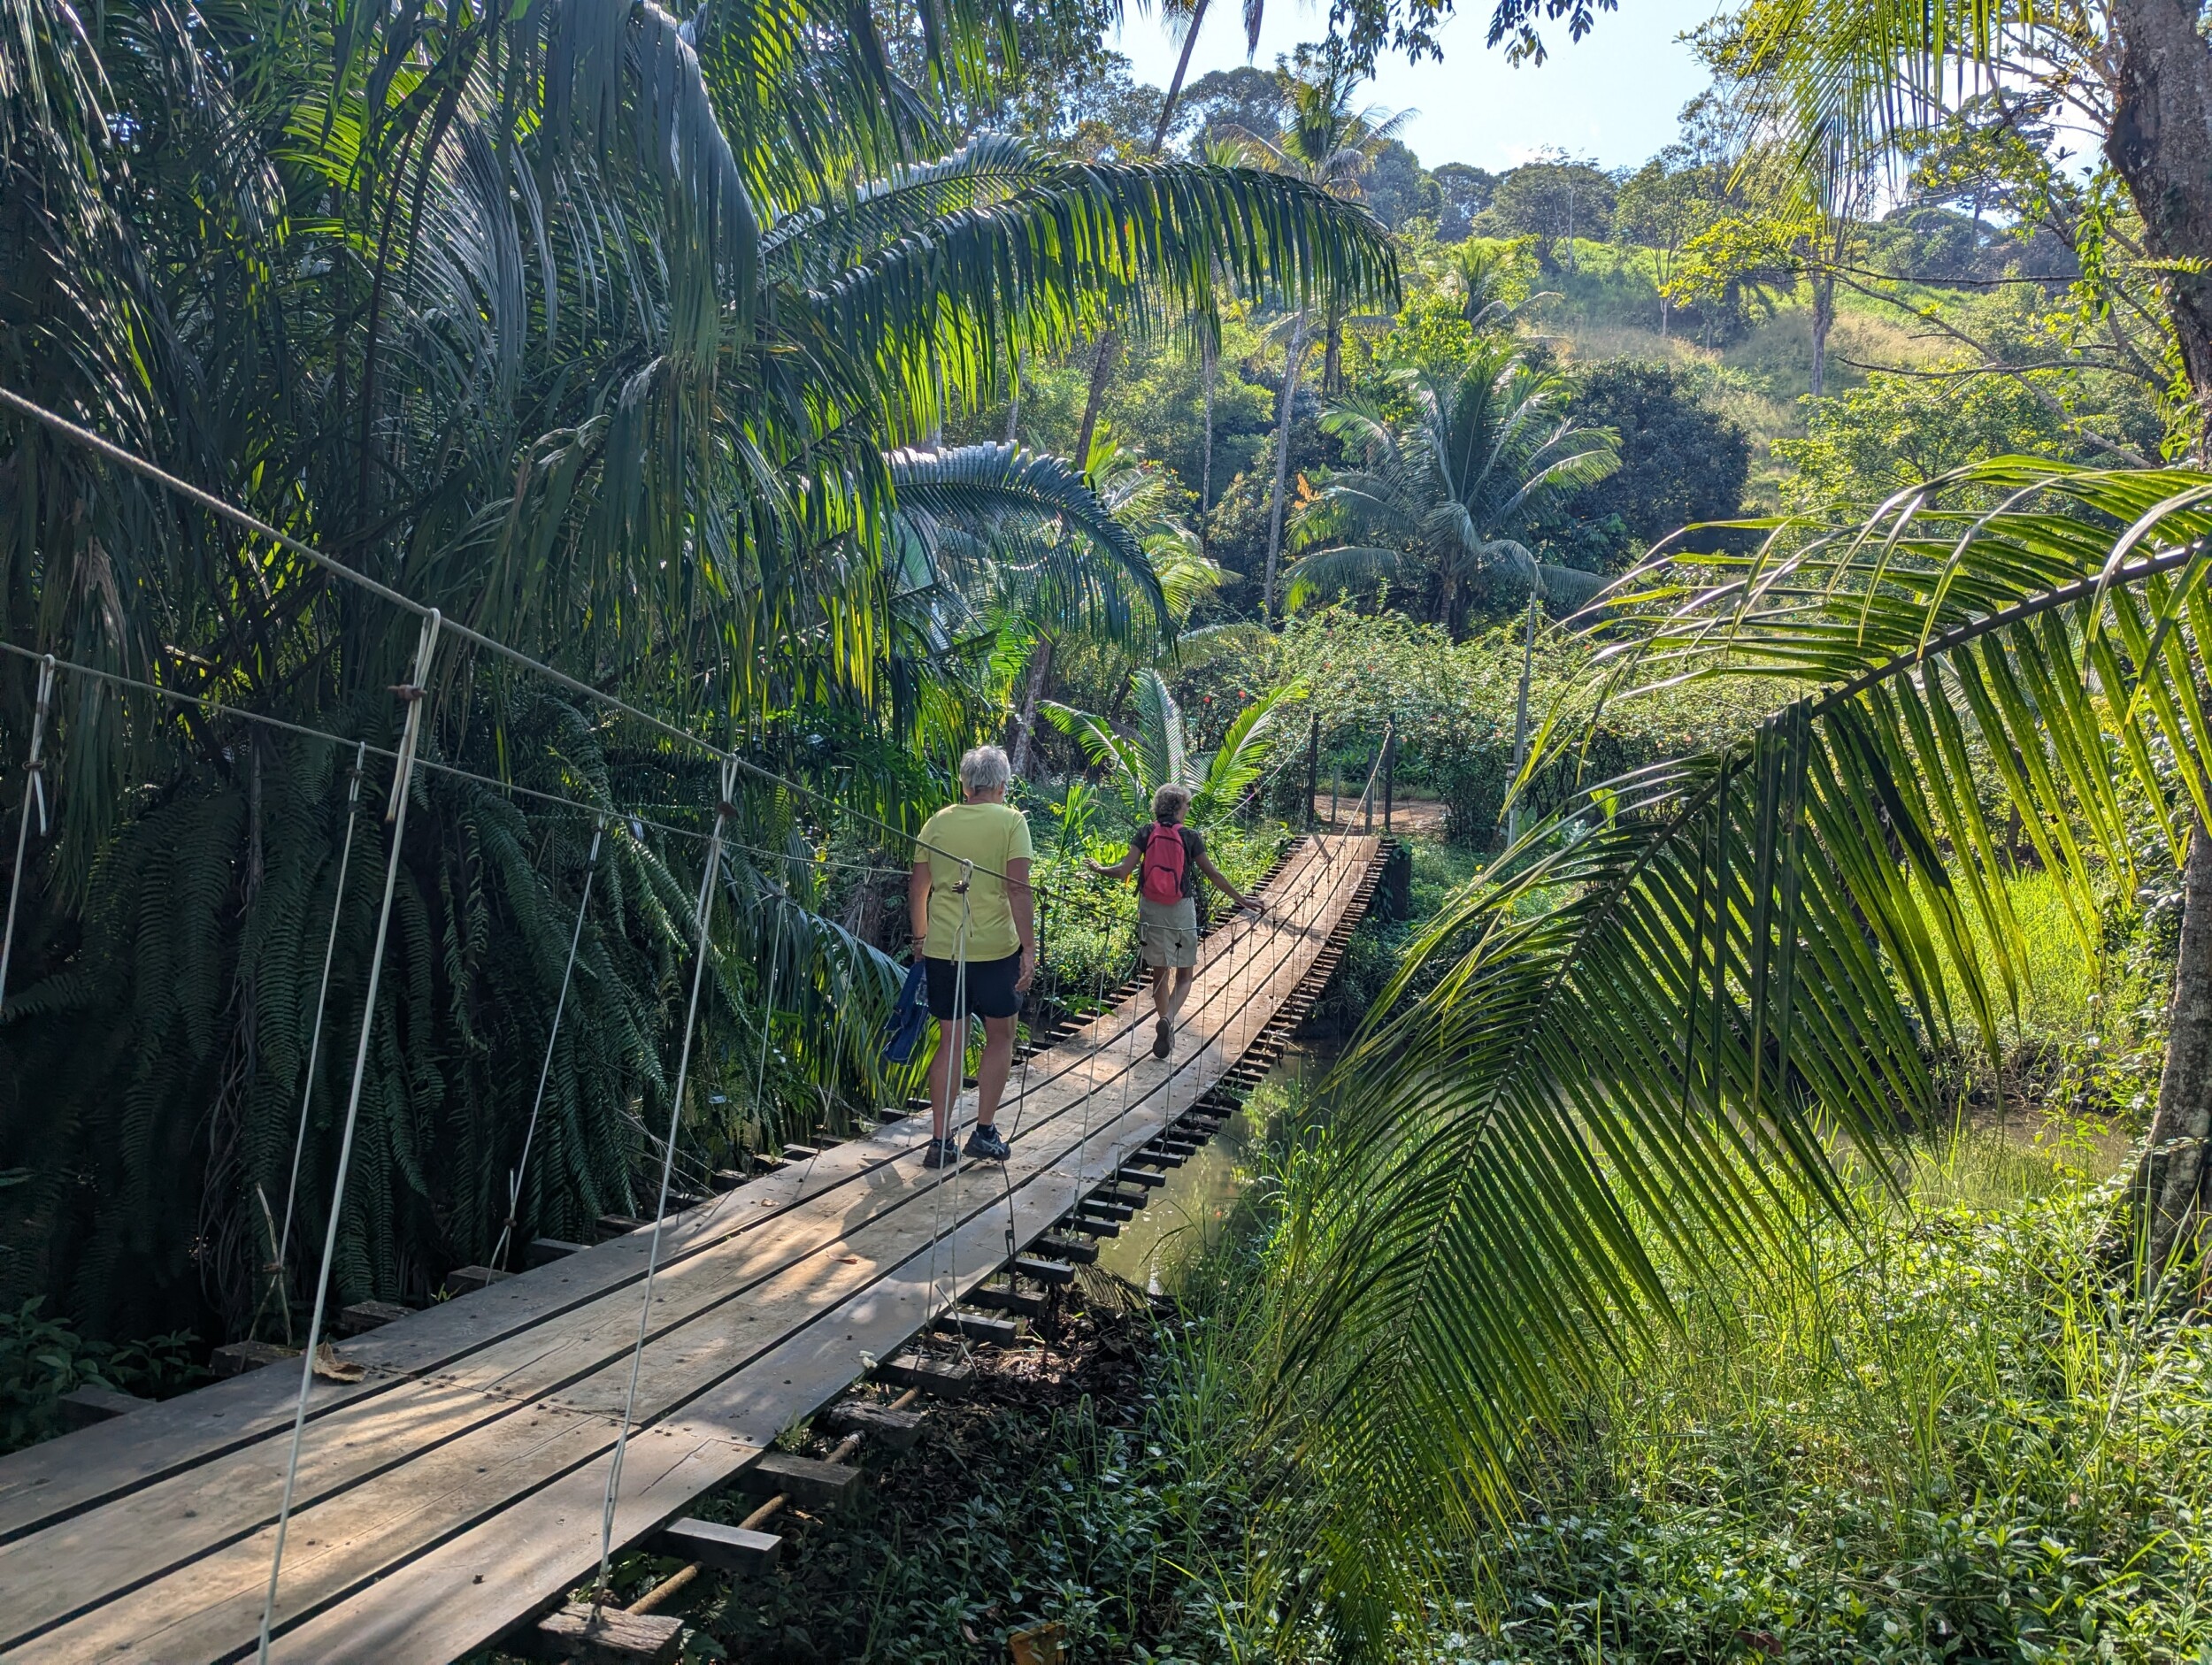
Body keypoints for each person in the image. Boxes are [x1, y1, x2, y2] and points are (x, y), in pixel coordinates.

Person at [909, 745, 1035, 1169]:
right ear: (1002, 784)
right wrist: (1030, 948)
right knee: (1000, 1035)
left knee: (952, 1038)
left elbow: (919, 888)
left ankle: (940, 1141)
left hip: (945, 950)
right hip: (996, 951)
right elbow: (1018, 889)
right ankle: (983, 1131)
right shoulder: (1012, 821)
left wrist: (921, 939)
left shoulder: (938, 822)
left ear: (965, 784)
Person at [1087, 784, 1262, 1059]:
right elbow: (1213, 875)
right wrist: (1243, 900)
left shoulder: (1146, 832)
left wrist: (1099, 869)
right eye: (1187, 805)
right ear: (1180, 807)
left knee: (1160, 973)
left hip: (1151, 908)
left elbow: (1123, 872)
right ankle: (1168, 1020)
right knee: (1184, 975)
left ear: (1159, 807)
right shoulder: (1190, 836)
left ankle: (1164, 1023)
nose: (1188, 809)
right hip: (1181, 909)